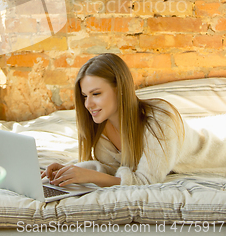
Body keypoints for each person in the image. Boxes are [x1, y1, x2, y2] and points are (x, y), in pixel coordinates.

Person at [42, 53, 226, 187]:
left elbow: (144, 181)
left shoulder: (161, 121)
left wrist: (89, 177)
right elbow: (109, 169)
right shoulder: (102, 127)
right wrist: (72, 170)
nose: (88, 104)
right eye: (84, 96)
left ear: (120, 89)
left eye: (96, 94)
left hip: (217, 153)